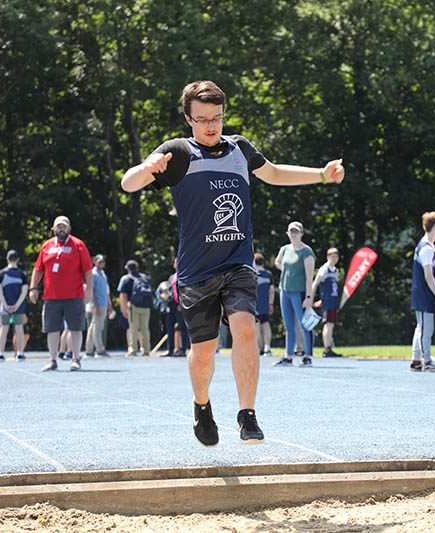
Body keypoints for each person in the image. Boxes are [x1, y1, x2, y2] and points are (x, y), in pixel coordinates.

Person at [120, 80, 344, 446]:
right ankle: (202, 405)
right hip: (195, 273)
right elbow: (129, 184)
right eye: (203, 119)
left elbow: (272, 173)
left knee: (244, 329)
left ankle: (247, 414)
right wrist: (148, 167)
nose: (211, 126)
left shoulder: (239, 148)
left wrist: (320, 174)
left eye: (217, 118)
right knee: (204, 352)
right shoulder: (177, 152)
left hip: (238, 264)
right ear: (188, 119)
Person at [29, 215, 93, 372]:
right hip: (51, 296)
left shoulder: (78, 245)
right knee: (52, 329)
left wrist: (89, 290)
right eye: (58, 226)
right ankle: (53, 360)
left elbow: (88, 270)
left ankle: (76, 359)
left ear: (69, 229)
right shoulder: (47, 246)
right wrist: (33, 288)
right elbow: (38, 269)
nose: (61, 229)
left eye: (64, 226)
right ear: (53, 229)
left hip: (74, 294)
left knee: (75, 328)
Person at [274, 221, 316, 366]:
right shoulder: (285, 249)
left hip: (300, 293)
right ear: (287, 233)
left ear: (301, 234)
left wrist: (309, 297)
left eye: (296, 232)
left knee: (305, 324)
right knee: (289, 325)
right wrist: (286, 270)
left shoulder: (307, 252)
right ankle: (288, 355)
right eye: (291, 231)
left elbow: (310, 277)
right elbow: (277, 262)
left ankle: (308, 355)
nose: (293, 234)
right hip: (284, 291)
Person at [410, 211, 435, 372]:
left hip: (421, 293)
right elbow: (427, 275)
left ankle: (416, 360)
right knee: (426, 329)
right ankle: (427, 362)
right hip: (425, 294)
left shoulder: (426, 245)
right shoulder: (426, 248)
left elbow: (429, 271)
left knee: (421, 327)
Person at [0, 250, 28, 361]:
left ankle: (1, 353)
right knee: (19, 329)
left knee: (4, 328)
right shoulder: (22, 274)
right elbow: (24, 292)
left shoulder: (1, 274)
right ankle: (20, 353)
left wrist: (5, 305)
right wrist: (17, 305)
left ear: (7, 259)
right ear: (18, 259)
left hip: (5, 307)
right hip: (18, 307)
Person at [118, 259, 153, 357]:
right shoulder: (144, 277)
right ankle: (146, 350)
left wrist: (123, 308)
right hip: (146, 306)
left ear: (128, 268)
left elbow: (123, 295)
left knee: (133, 328)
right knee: (145, 328)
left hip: (134, 306)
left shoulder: (127, 279)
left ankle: (133, 349)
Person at [313, 247, 343, 357]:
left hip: (333, 300)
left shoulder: (335, 270)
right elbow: (316, 283)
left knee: (332, 324)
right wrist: (310, 298)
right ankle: (327, 349)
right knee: (328, 324)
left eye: (336, 256)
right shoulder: (324, 269)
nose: (334, 258)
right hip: (328, 301)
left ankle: (330, 346)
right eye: (332, 256)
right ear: (327, 257)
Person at [85, 254, 113, 357]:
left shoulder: (103, 274)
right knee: (97, 327)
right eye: (99, 261)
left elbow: (106, 291)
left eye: (102, 261)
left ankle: (89, 349)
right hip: (98, 304)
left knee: (94, 327)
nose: (101, 263)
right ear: (95, 262)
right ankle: (100, 350)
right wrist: (95, 305)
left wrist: (109, 305)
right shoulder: (94, 274)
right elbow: (91, 290)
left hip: (103, 303)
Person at [168, 258, 190, 356]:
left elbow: (186, 291)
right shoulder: (171, 277)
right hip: (171, 305)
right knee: (169, 327)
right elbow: (170, 291)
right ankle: (171, 349)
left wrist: (182, 304)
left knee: (182, 327)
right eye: (175, 262)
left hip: (180, 304)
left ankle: (183, 349)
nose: (176, 264)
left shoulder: (185, 275)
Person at [254, 252, 275, 357]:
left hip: (255, 304)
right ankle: (267, 347)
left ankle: (258, 348)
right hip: (265, 304)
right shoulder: (268, 274)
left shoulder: (252, 273)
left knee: (256, 326)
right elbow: (272, 290)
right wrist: (271, 304)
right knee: (266, 325)